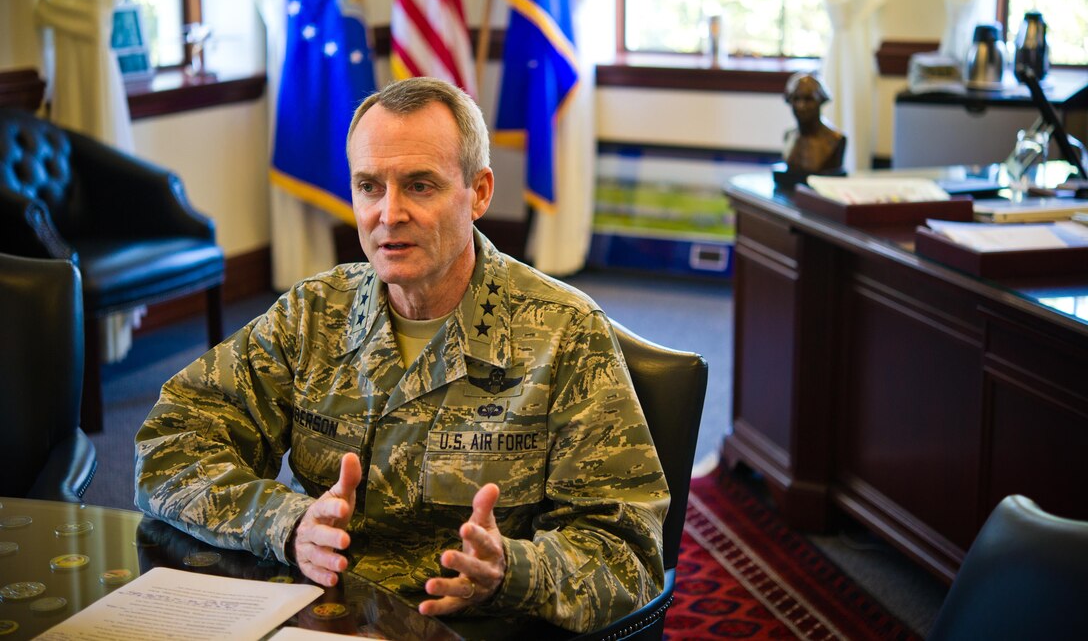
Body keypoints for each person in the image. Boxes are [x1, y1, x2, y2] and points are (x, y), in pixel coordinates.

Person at [134, 77, 669, 635]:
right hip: (317, 619)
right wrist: (287, 523)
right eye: (369, 186)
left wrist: (512, 570)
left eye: (419, 186)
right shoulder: (312, 315)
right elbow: (170, 442)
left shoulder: (565, 335)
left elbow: (626, 553)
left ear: (479, 192)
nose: (389, 213)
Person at [782, 72, 846, 173]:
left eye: (808, 99)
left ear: (820, 100)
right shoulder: (788, 136)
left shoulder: (836, 140)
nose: (801, 106)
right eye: (796, 99)